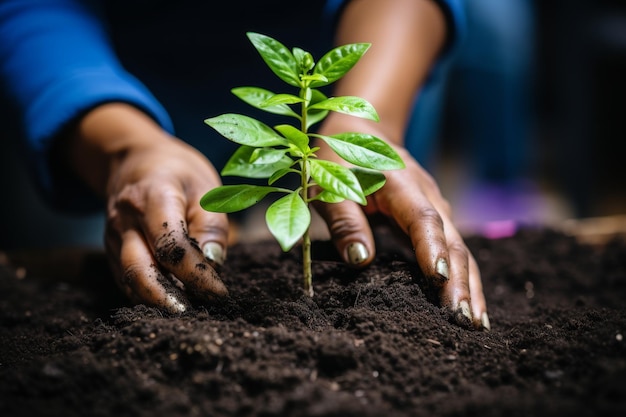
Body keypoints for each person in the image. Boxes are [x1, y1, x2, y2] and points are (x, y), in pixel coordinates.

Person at [0, 0, 489, 330]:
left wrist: (368, 115)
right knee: (129, 261)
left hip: (368, 57)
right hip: (101, 73)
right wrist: (122, 149)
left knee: (369, 223)